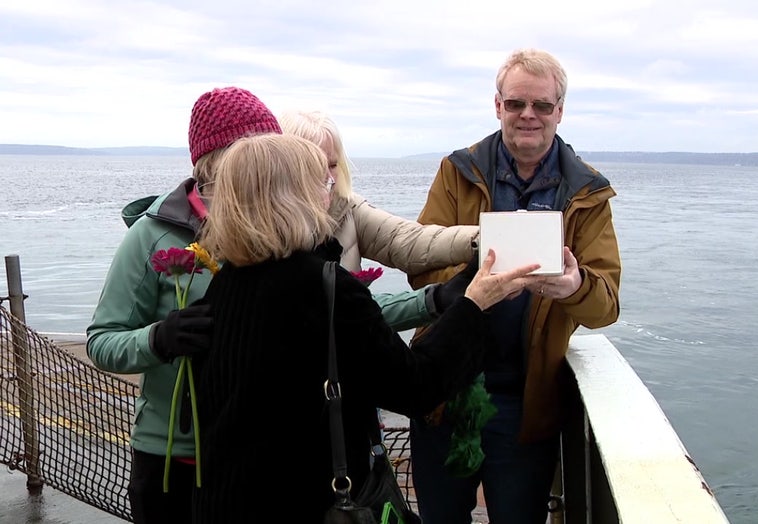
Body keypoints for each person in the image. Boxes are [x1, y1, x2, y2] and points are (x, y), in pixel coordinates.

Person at [188, 133, 540, 522]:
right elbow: (416, 386)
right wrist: (475, 305)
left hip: (224, 502)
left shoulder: (221, 286)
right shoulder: (326, 289)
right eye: (322, 183)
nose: (331, 193)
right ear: (297, 197)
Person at [407, 48, 622, 523]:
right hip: (447, 389)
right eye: (516, 103)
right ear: (497, 105)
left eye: (542, 105)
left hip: (527, 403)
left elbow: (606, 305)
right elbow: (420, 266)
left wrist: (573, 286)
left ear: (560, 112)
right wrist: (474, 285)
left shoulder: (587, 193)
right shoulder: (457, 171)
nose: (529, 115)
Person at [86, 86, 282, 523]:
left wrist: (441, 300)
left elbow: (347, 306)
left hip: (259, 456)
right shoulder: (152, 233)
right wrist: (160, 338)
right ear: (216, 163)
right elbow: (102, 341)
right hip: (170, 461)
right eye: (253, 154)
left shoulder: (279, 230)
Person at [277, 109, 480, 330]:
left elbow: (407, 241)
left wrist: (479, 240)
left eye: (333, 165)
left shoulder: (347, 209)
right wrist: (436, 299)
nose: (328, 176)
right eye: (315, 165)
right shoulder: (266, 232)